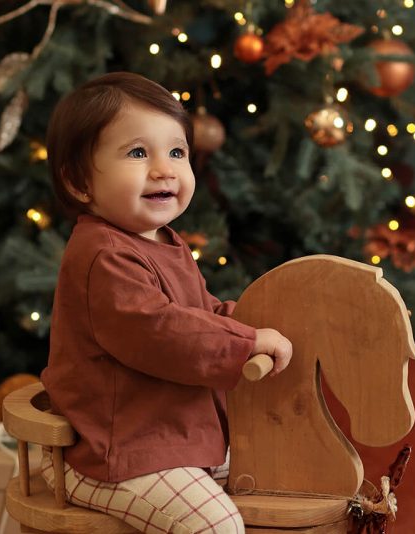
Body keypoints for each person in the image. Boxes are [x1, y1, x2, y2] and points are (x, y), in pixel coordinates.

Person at [39, 71, 293, 534]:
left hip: (177, 437)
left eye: (177, 152)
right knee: (215, 527)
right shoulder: (104, 255)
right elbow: (162, 332)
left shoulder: (162, 240)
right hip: (122, 450)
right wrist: (247, 340)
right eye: (138, 153)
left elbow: (200, 311)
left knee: (286, 474)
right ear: (79, 182)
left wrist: (254, 323)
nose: (164, 169)